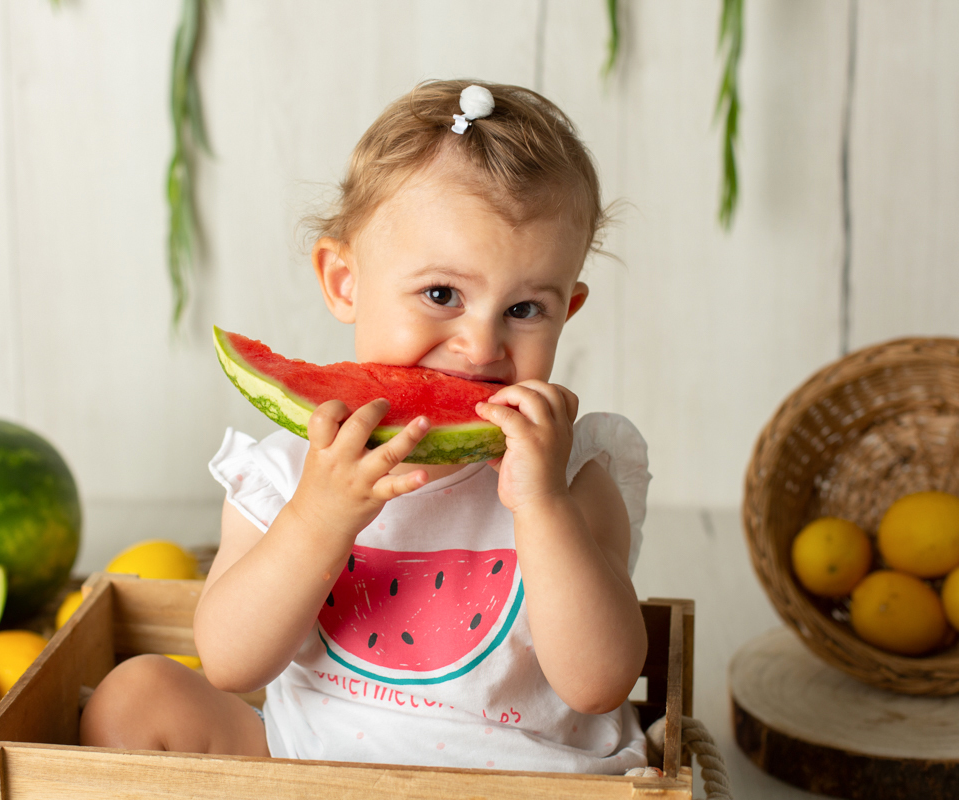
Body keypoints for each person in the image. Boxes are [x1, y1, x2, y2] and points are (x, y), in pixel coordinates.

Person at [81, 80, 652, 775]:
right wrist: (317, 518)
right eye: (441, 295)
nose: (480, 345)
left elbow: (598, 686)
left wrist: (542, 507)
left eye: (527, 309)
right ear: (344, 282)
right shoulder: (286, 471)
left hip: (519, 782)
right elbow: (231, 664)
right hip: (310, 767)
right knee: (134, 698)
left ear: (571, 309)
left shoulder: (575, 475)